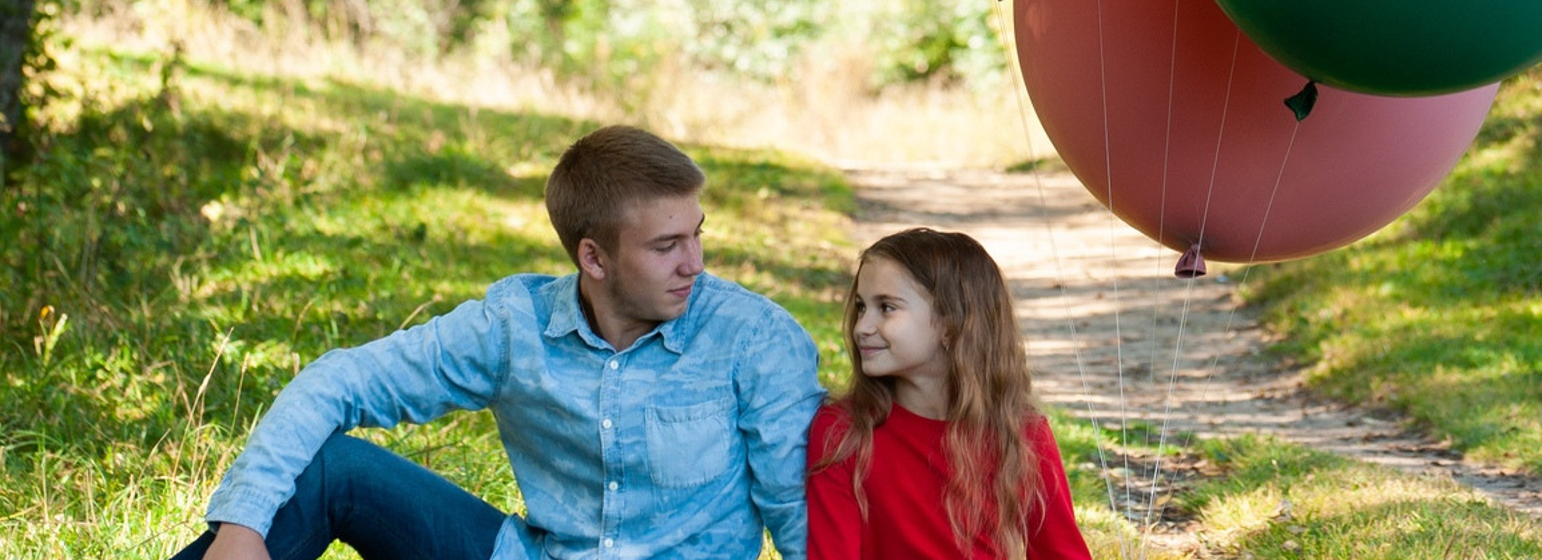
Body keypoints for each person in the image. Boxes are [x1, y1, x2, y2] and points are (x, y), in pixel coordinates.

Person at [175, 125, 823, 560]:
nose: (695, 264)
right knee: (331, 469)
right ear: (593, 258)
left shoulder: (753, 339)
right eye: (666, 246)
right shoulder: (516, 328)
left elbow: (800, 512)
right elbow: (339, 381)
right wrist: (243, 524)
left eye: (697, 234)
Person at [806, 228, 1090, 560]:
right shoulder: (843, 433)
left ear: (951, 325)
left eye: (886, 307)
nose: (861, 327)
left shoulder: (1021, 435)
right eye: (860, 306)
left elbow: (1064, 553)